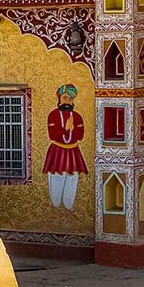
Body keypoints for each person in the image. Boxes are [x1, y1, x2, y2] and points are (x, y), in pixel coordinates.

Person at [43, 82, 86, 210]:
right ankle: (55, 206)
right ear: (60, 98)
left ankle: (68, 207)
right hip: (57, 151)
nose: (68, 101)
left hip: (73, 151)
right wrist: (66, 129)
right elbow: (52, 135)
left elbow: (80, 136)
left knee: (72, 180)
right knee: (56, 178)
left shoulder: (77, 116)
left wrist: (73, 128)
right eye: (65, 98)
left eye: (70, 98)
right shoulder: (53, 115)